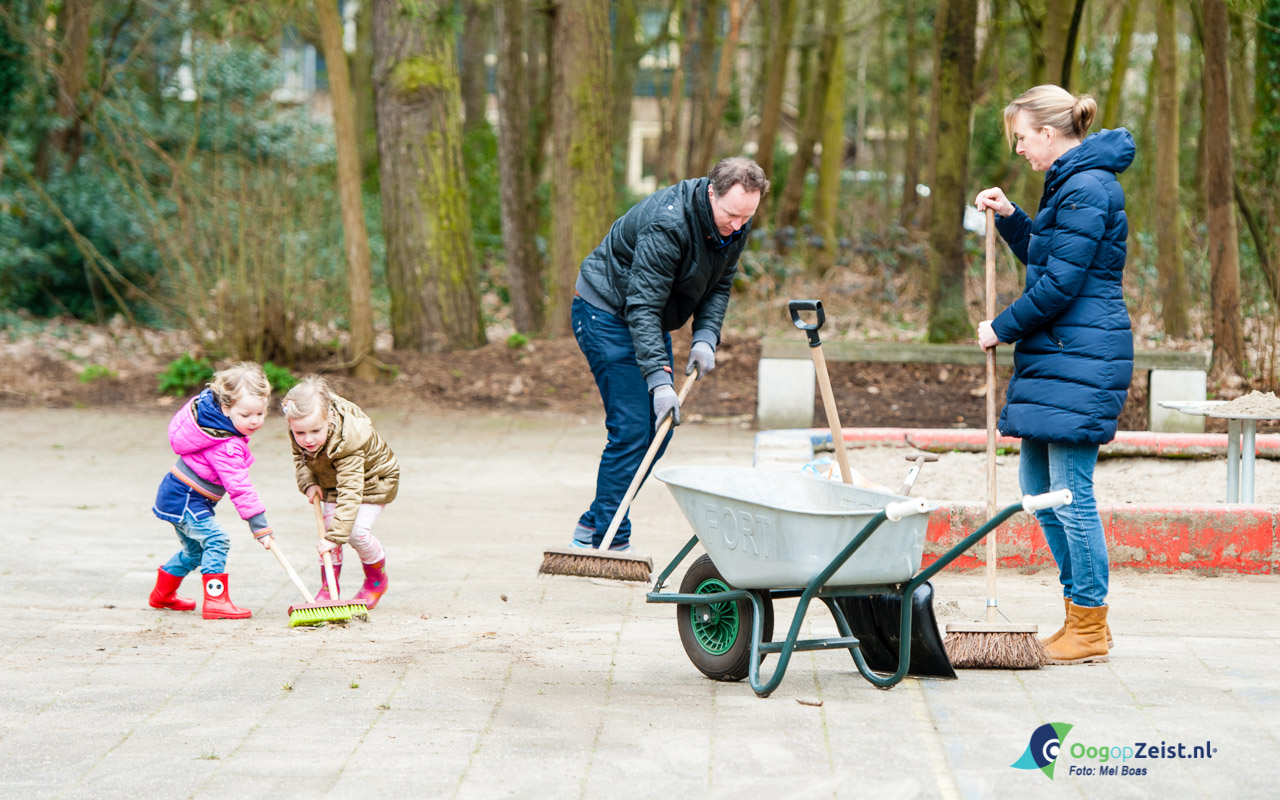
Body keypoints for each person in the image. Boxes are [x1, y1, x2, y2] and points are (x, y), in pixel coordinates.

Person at [974, 85, 1133, 665]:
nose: (1018, 149)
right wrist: (1014, 217)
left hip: (1080, 353)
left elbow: (1062, 286)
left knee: (1070, 494)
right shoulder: (1071, 182)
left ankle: (1088, 623)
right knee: (1039, 492)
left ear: (1047, 131)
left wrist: (1001, 327)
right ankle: (1081, 616)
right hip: (1060, 353)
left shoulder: (1088, 185)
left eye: (1020, 137)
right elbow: (1050, 256)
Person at [570, 156, 770, 553]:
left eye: (747, 217)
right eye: (732, 214)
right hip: (606, 313)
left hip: (646, 316)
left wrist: (705, 336)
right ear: (711, 192)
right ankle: (609, 542)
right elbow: (641, 306)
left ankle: (594, 523)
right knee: (632, 429)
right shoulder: (669, 223)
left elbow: (719, 284)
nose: (738, 225)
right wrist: (660, 380)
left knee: (658, 432)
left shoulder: (734, 222)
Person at [149, 362, 275, 620]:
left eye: (260, 414)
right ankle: (216, 601)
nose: (254, 421)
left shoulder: (214, 424)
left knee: (194, 552)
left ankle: (162, 596)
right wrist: (259, 526)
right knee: (217, 540)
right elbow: (239, 487)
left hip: (179, 495)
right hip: (186, 498)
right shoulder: (226, 444)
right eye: (246, 415)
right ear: (226, 408)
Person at [283, 376, 399, 609]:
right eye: (300, 433)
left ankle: (377, 579)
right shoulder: (302, 429)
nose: (308, 439)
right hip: (332, 482)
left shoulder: (348, 444)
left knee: (354, 532)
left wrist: (335, 536)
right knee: (327, 531)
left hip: (371, 483)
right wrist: (308, 482)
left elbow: (351, 491)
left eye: (316, 431)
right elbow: (300, 457)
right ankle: (329, 589)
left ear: (331, 418)